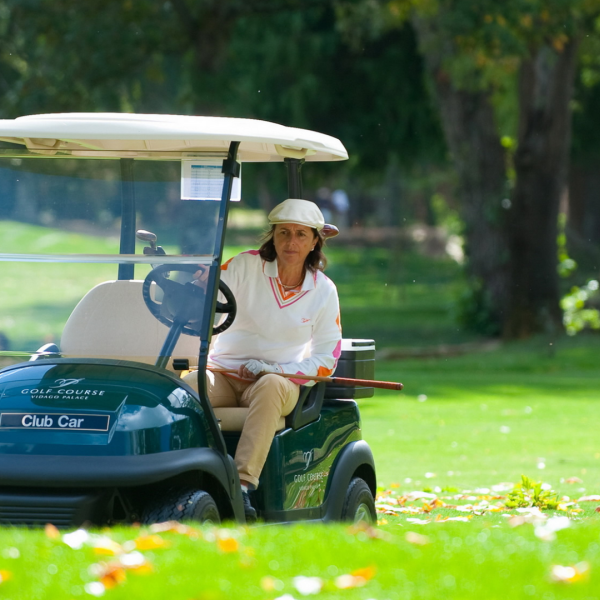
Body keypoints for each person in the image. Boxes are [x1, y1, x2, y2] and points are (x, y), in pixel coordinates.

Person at [184, 198, 342, 522]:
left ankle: (241, 486)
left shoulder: (324, 291)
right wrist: (201, 288)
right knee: (184, 389)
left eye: (301, 234)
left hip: (279, 383)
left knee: (270, 386)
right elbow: (208, 305)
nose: (291, 242)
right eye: (283, 233)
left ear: (315, 241)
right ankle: (181, 476)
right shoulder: (243, 266)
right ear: (273, 236)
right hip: (224, 372)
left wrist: (276, 370)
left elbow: (327, 359)